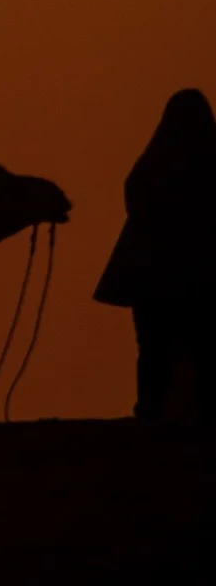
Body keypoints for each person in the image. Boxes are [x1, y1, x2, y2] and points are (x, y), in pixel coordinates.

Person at [94, 88, 216, 421]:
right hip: (194, 281)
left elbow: (135, 197)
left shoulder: (150, 170)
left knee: (153, 349)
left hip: (152, 282)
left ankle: (152, 409)